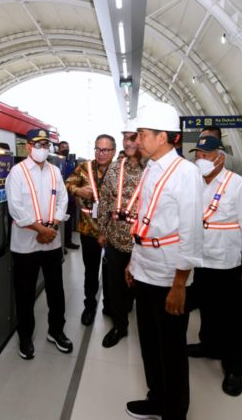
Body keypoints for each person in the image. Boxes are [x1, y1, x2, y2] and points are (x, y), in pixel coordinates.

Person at [125, 105, 203, 420]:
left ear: (163, 137)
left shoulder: (186, 173)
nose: (137, 139)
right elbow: (144, 221)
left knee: (171, 349)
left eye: (142, 134)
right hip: (145, 267)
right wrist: (132, 262)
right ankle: (156, 398)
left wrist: (180, 285)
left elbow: (192, 232)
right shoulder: (151, 168)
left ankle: (175, 412)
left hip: (170, 276)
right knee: (149, 343)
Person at [186, 135, 242, 396]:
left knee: (230, 315)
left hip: (227, 260)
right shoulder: (195, 183)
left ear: (220, 157)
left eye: (206, 155)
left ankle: (234, 367)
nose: (201, 159)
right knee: (207, 307)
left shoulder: (239, 186)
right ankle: (208, 345)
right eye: (198, 155)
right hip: (202, 257)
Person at [5, 128, 73, 360]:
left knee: (56, 290)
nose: (42, 149)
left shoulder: (54, 171)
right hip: (26, 244)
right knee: (24, 293)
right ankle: (25, 336)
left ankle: (56, 331)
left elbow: (62, 200)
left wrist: (52, 227)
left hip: (51, 241)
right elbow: (15, 207)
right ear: (28, 146)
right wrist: (40, 229)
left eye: (45, 145)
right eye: (37, 144)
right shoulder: (17, 172)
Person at [97, 120, 144, 348]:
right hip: (115, 238)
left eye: (133, 137)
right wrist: (102, 231)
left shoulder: (151, 169)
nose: (129, 142)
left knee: (138, 287)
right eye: (126, 138)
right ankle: (119, 326)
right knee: (115, 285)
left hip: (141, 243)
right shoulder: (116, 168)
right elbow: (105, 200)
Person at [66, 134, 116, 325]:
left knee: (111, 270)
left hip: (112, 231)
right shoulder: (85, 167)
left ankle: (110, 305)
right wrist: (77, 191)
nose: (101, 154)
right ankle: (89, 305)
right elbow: (68, 183)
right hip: (88, 229)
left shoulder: (119, 170)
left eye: (105, 150)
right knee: (90, 270)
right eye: (97, 149)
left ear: (113, 151)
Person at [57, 141, 80, 251]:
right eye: (63, 147)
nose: (66, 149)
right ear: (58, 149)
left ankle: (68, 242)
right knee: (61, 222)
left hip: (71, 197)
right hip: (61, 198)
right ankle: (61, 245)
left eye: (67, 147)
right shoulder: (56, 162)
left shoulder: (70, 162)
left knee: (69, 221)